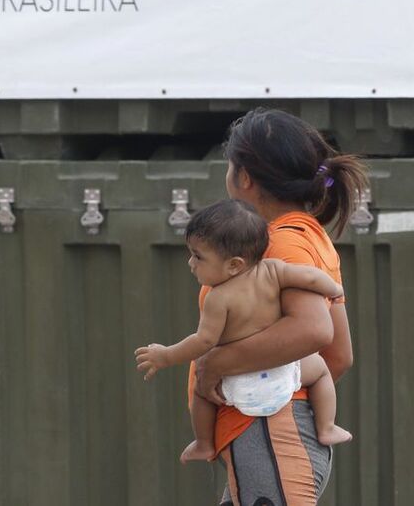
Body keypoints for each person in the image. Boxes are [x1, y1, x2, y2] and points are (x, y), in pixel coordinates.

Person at [193, 108, 368, 506]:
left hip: (269, 434)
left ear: (245, 178)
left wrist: (215, 366)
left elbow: (314, 332)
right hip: (266, 435)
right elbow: (337, 356)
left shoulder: (282, 244)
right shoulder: (308, 238)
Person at [134, 199, 352, 464]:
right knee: (319, 369)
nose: (191, 263)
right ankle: (326, 426)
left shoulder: (219, 298)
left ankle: (203, 443)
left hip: (239, 387)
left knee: (201, 391)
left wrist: (167, 356)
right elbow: (310, 277)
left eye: (198, 256)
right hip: (282, 378)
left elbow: (204, 340)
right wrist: (334, 290)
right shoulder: (274, 270)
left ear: (234, 265)